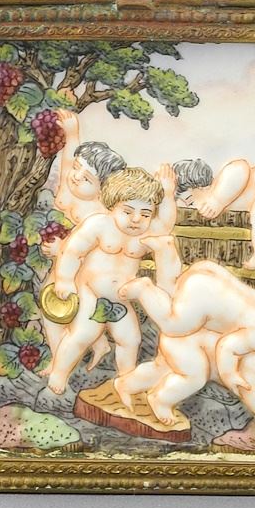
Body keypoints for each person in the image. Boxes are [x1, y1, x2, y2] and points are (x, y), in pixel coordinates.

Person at [117, 242, 255, 421]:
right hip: (200, 307)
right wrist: (233, 378)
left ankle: (125, 384)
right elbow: (228, 350)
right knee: (185, 353)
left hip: (206, 285)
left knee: (161, 364)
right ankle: (160, 399)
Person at [44, 167, 176, 394]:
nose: (136, 219)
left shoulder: (146, 233)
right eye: (128, 211)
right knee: (82, 335)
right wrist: (64, 279)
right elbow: (72, 251)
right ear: (112, 205)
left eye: (145, 214)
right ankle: (59, 373)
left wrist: (169, 194)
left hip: (121, 300)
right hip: (91, 293)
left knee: (131, 340)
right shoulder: (99, 225)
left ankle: (125, 380)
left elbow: (166, 223)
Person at [39, 111, 128, 372]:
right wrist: (72, 134)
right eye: (78, 168)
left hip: (83, 275)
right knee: (62, 312)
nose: (76, 176)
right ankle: (96, 345)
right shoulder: (72, 193)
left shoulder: (100, 213)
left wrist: (61, 250)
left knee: (61, 313)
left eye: (87, 178)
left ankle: (60, 362)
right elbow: (68, 162)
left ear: (103, 189)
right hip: (65, 270)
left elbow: (94, 252)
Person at [113, 326, 255, 433]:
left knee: (161, 368)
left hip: (183, 340)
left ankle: (125, 384)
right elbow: (251, 391)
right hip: (191, 344)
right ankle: (160, 399)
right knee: (195, 377)